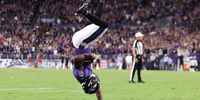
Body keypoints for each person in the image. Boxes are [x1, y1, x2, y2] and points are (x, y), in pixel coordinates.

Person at [71, 0, 108, 100]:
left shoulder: (80, 75)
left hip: (80, 43)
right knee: (97, 23)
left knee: (105, 26)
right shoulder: (88, 79)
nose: (95, 79)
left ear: (88, 82)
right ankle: (101, 2)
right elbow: (98, 91)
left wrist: (91, 57)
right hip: (82, 42)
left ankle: (85, 12)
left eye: (93, 81)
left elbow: (74, 60)